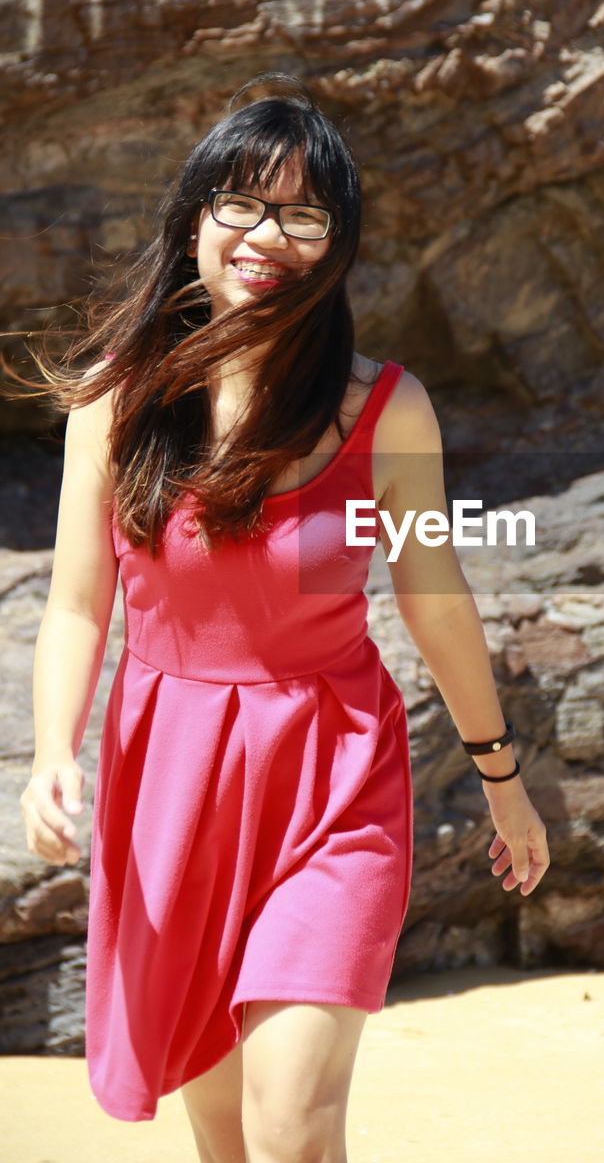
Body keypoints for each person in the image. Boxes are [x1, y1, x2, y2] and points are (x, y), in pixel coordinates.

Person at [19, 74, 550, 1163]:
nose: (268, 235)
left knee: (289, 1125)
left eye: (303, 213)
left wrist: (503, 780)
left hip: (333, 777)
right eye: (243, 203)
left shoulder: (384, 411)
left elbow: (433, 600)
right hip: (172, 783)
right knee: (224, 1136)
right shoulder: (117, 402)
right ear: (197, 217)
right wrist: (47, 751)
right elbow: (79, 600)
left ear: (337, 243)